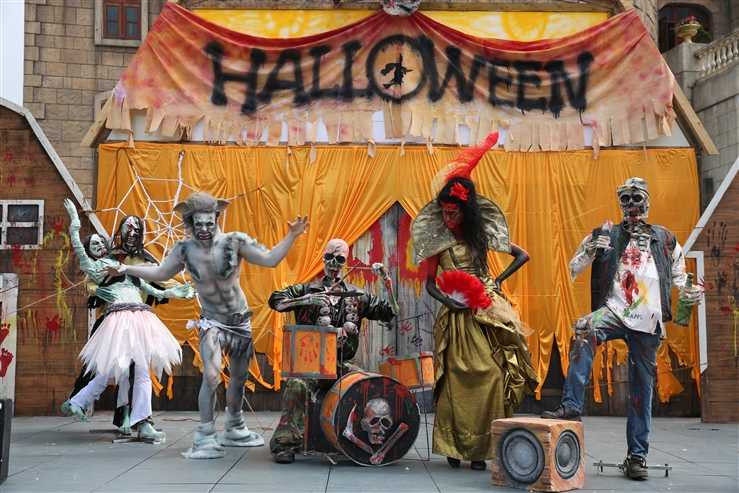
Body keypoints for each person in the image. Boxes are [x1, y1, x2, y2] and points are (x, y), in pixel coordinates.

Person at [110, 191, 309, 459]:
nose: (204, 228)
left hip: (239, 322)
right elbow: (160, 272)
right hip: (212, 322)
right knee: (212, 376)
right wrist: (126, 269)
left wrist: (292, 235)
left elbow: (270, 260)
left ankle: (234, 425)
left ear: (216, 219)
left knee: (239, 377)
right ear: (190, 222)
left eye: (209, 222)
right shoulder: (184, 250)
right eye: (198, 223)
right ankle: (205, 435)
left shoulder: (235, 242)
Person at [541, 177, 703, 480]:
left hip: (648, 319)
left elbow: (681, 277)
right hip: (615, 310)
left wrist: (691, 292)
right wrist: (591, 249)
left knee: (642, 388)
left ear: (647, 201)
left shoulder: (665, 238)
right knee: (586, 328)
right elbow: (574, 267)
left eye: (636, 198)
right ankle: (571, 405)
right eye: (625, 200)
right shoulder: (606, 234)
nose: (631, 206)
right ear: (619, 204)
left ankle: (637, 456)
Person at [411, 132, 538, 471]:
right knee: (454, 381)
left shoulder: (480, 237)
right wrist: (449, 301)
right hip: (456, 320)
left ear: (465, 213)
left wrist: (497, 281)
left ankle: (482, 449)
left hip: (484, 310)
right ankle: (453, 448)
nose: (448, 219)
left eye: (454, 213)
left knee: (493, 375)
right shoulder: (437, 244)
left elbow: (523, 255)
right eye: (444, 213)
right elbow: (430, 286)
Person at [60, 199, 193, 442]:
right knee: (115, 368)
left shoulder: (131, 266)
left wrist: (176, 291)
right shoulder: (101, 265)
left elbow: (154, 286)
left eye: (136, 231)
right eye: (127, 230)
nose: (131, 234)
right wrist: (75, 225)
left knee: (131, 370)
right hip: (117, 321)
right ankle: (124, 416)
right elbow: (86, 267)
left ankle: (132, 418)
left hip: (140, 318)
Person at [267, 238, 396, 464]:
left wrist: (387, 283)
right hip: (312, 365)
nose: (334, 264)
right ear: (323, 258)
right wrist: (305, 300)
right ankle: (285, 444)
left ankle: (355, 441)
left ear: (346, 262)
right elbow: (275, 300)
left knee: (365, 385)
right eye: (329, 257)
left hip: (341, 364)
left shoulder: (357, 295)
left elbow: (390, 312)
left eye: (340, 259)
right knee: (296, 385)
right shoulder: (307, 289)